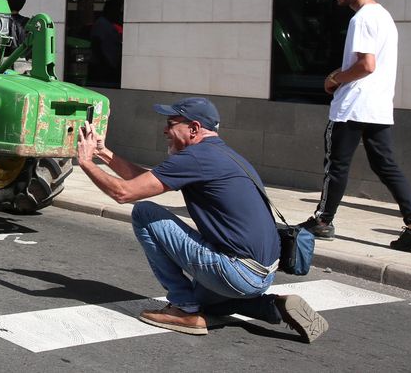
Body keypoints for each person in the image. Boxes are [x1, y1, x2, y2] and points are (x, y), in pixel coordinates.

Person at [75, 96, 328, 342]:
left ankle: (183, 309)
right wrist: (104, 153)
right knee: (205, 301)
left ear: (194, 128)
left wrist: (85, 162)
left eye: (171, 123)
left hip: (237, 271)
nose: (165, 130)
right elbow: (145, 181)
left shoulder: (194, 158)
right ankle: (272, 307)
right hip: (263, 273)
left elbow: (124, 193)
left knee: (144, 212)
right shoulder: (223, 155)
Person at [300, 0, 411, 250]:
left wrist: (335, 79)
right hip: (378, 105)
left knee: (336, 165)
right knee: (386, 165)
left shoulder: (362, 18)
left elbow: (366, 65)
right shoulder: (383, 16)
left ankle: (323, 221)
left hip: (353, 105)